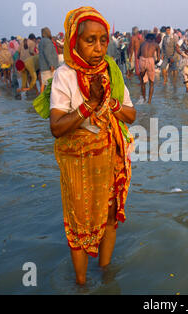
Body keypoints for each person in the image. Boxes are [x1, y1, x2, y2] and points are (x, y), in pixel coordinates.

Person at [49, 6, 136, 285]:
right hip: (77, 161)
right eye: (90, 41)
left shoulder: (111, 71)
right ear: (75, 41)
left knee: (109, 219)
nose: (98, 48)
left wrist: (109, 102)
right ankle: (82, 284)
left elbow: (131, 115)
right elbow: (57, 127)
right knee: (79, 224)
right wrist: (89, 106)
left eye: (103, 40)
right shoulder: (65, 75)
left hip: (108, 157)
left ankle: (106, 275)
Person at [137, 33, 160, 103]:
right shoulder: (156, 45)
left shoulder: (142, 44)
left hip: (142, 60)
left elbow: (138, 56)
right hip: (150, 60)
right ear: (153, 39)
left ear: (146, 38)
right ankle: (149, 101)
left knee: (142, 82)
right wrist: (154, 63)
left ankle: (144, 99)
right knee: (151, 83)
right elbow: (158, 59)